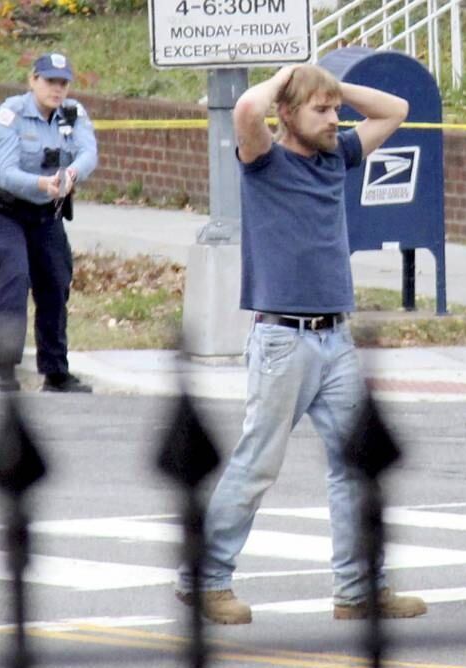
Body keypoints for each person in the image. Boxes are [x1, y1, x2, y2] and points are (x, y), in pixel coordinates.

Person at [175, 65, 427, 624]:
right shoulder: (264, 160)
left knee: (357, 464)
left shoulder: (338, 154)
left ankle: (359, 590)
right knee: (257, 464)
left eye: (335, 110)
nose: (335, 119)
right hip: (282, 340)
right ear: (286, 114)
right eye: (321, 110)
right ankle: (206, 580)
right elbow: (245, 111)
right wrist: (287, 75)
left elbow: (395, 111)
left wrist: (332, 83)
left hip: (335, 338)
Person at [0, 53, 97, 393]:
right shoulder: (9, 115)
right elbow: (5, 172)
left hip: (44, 212)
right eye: (49, 81)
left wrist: (71, 174)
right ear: (33, 80)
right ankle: (3, 369)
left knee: (55, 280)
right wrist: (44, 184)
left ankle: (56, 372)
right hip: (2, 210)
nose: (57, 89)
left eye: (63, 83)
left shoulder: (73, 114)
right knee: (15, 275)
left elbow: (89, 153)